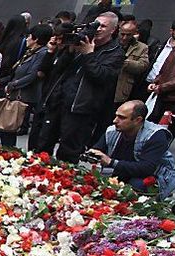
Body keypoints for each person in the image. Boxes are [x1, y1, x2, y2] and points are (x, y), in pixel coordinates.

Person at [45, 12, 125, 162]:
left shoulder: (115, 53)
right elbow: (58, 70)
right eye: (96, 24)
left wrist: (89, 54)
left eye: (103, 26)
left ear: (113, 30)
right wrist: (69, 51)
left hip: (81, 109)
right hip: (58, 101)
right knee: (43, 145)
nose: (98, 29)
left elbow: (101, 76)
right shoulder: (81, 41)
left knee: (68, 153)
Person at [90, 100, 175, 199]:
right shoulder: (112, 130)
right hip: (123, 171)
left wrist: (111, 162)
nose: (115, 120)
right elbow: (98, 149)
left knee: (135, 186)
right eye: (116, 115)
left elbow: (146, 168)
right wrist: (92, 154)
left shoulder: (156, 135)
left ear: (137, 120)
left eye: (122, 118)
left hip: (153, 177)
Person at [0, 24, 51, 146]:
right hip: (14, 93)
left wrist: (13, 84)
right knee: (6, 129)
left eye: (29, 36)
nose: (27, 39)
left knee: (10, 127)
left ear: (36, 39)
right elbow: (16, 72)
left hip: (24, 97)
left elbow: (32, 75)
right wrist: (3, 81)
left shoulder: (42, 53)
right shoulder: (30, 52)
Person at [148, 28, 175, 124]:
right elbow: (163, 69)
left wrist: (161, 87)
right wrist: (155, 82)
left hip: (174, 98)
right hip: (161, 95)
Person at [114, 20, 148, 113]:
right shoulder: (112, 42)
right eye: (122, 34)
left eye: (128, 35)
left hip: (121, 88)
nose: (124, 37)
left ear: (134, 33)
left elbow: (143, 66)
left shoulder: (142, 47)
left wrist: (125, 62)